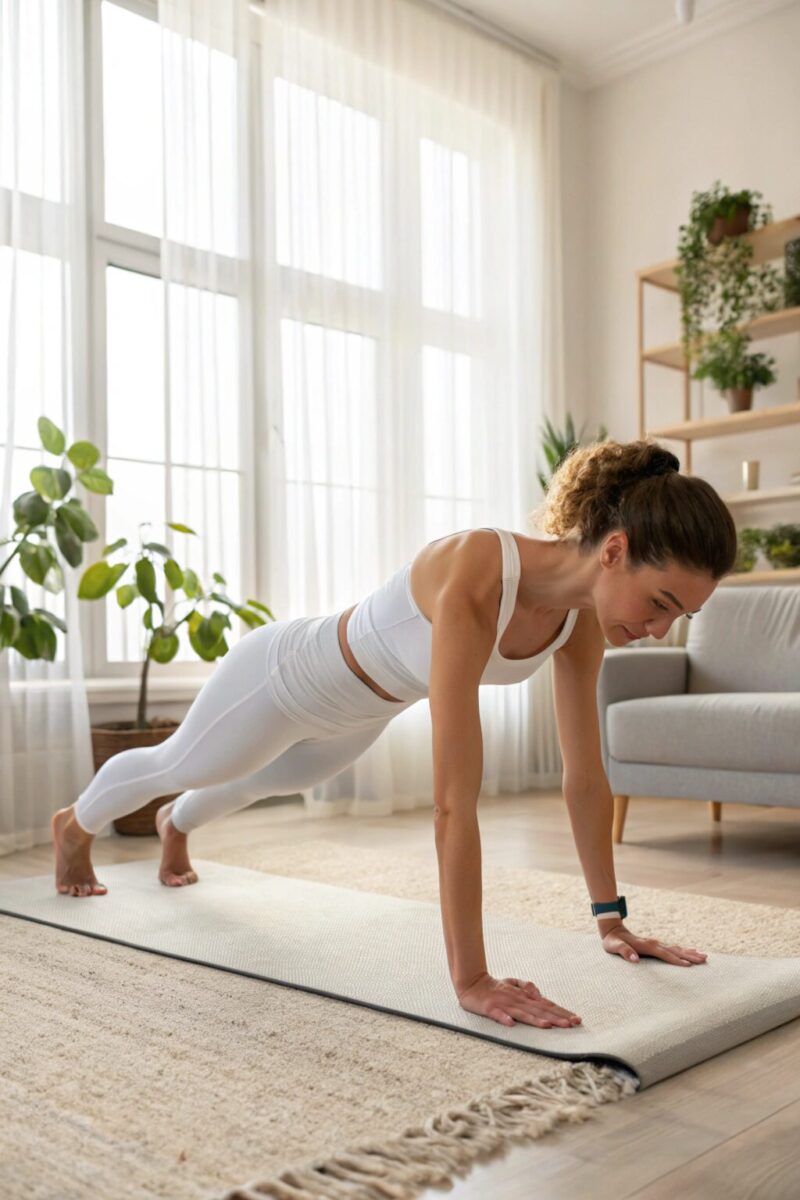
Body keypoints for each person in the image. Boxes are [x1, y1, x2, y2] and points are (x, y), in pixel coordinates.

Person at [52, 437, 736, 1031]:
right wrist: (471, 979)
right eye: (660, 604)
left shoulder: (579, 624)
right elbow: (452, 803)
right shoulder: (477, 567)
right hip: (283, 677)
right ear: (614, 550)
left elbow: (585, 776)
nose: (658, 630)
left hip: (361, 712)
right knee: (182, 761)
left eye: (678, 617)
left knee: (265, 780)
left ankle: (176, 827)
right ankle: (74, 827)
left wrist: (609, 917)